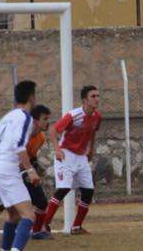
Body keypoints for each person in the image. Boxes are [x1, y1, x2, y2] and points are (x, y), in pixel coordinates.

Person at [0, 80, 41, 251]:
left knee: (14, 215)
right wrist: (30, 170)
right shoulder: (26, 118)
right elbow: (19, 146)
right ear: (31, 97)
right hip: (7, 169)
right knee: (29, 215)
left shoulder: (7, 117)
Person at [0, 105, 52, 243]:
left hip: (24, 171)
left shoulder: (41, 138)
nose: (48, 122)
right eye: (45, 119)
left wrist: (34, 166)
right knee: (3, 205)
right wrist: (29, 169)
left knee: (41, 202)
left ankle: (36, 232)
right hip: (10, 170)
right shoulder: (22, 133)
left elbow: (30, 156)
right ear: (35, 120)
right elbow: (15, 150)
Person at [42, 86, 102, 234]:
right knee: (63, 189)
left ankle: (76, 227)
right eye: (93, 96)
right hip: (66, 155)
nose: (97, 99)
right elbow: (53, 130)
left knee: (88, 191)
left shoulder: (97, 116)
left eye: (97, 96)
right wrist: (57, 149)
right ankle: (43, 225)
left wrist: (91, 149)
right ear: (84, 100)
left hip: (81, 157)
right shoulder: (73, 115)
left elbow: (93, 132)